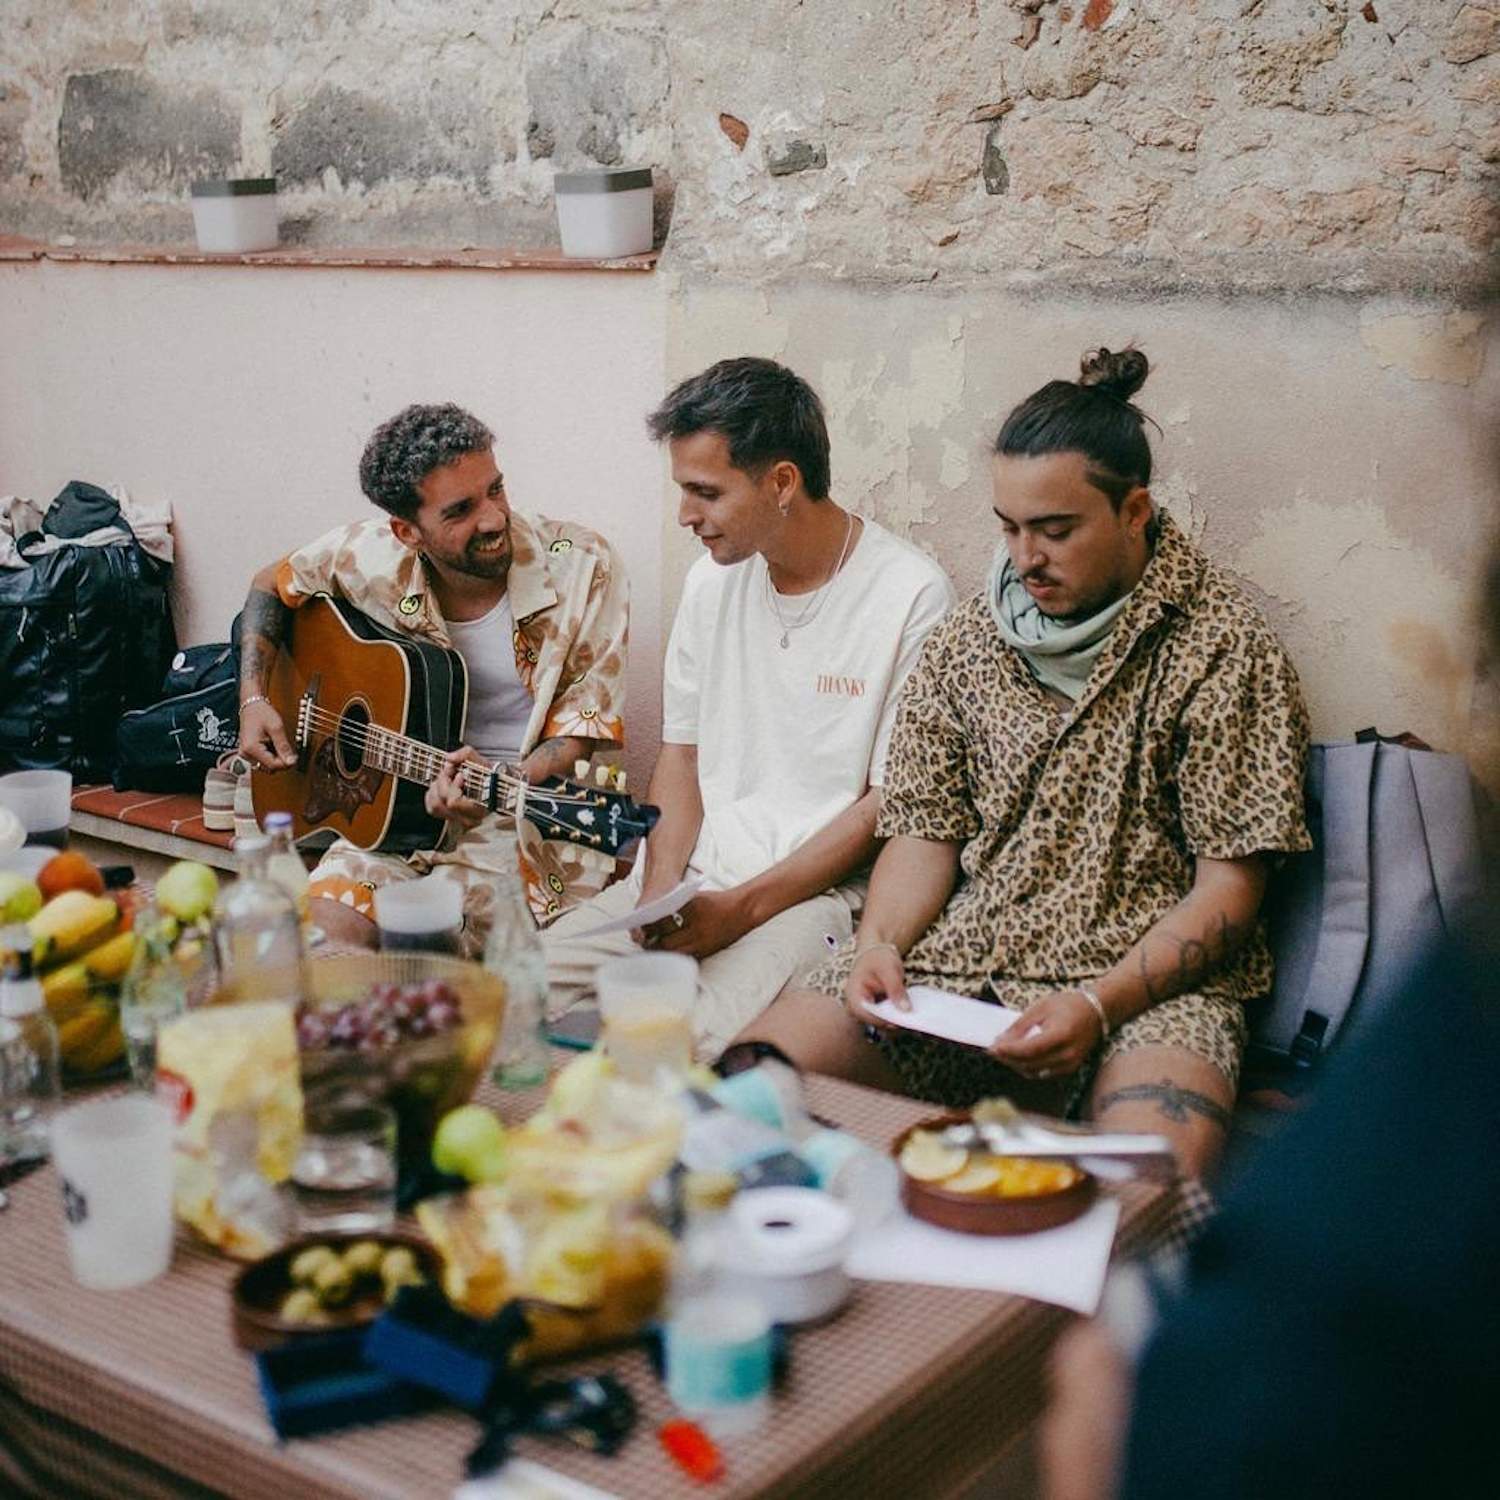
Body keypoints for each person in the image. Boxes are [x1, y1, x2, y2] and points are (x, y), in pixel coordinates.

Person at [739, 347, 1310, 1181]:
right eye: (1009, 527)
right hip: (962, 966)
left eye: (1055, 529)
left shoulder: (1224, 650)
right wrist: (879, 945)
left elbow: (1231, 889)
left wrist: (1096, 1002)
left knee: (1148, 1187)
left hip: (1148, 993)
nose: (1026, 557)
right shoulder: (965, 645)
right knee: (751, 1095)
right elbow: (923, 834)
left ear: (1135, 511)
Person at [542, 356, 954, 1057]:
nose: (684, 515)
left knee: (693, 1044)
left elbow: (884, 804)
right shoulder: (712, 583)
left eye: (706, 492)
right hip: (692, 879)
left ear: (783, 482)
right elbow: (683, 753)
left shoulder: (910, 594)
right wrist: (661, 888)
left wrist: (741, 910)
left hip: (809, 900)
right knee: (505, 991)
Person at [237, 402, 629, 951]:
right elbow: (269, 584)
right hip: (384, 815)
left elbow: (583, 727)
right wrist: (254, 698)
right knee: (323, 944)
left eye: (496, 489)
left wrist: (500, 782)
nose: (493, 518)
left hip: (523, 819)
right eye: (460, 510)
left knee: (426, 951)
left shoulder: (584, 564)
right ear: (406, 531)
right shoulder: (367, 555)